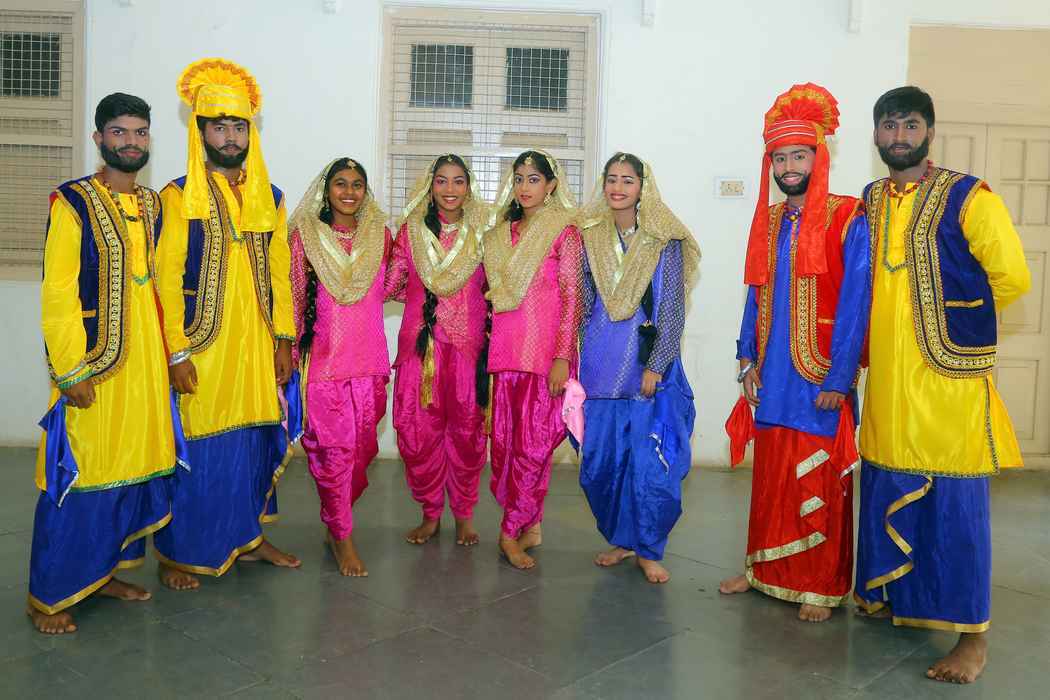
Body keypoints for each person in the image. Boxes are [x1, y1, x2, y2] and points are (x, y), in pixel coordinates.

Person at [853, 86, 1030, 683]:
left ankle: (972, 638)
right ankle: (898, 594)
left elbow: (1012, 276)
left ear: (929, 132)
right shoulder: (871, 199)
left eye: (910, 124)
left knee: (955, 500)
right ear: (876, 134)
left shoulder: (968, 195)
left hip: (946, 376)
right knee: (888, 474)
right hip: (888, 378)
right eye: (888, 125)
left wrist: (955, 320)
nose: (898, 136)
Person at [29, 93, 187, 633]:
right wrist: (71, 369)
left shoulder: (154, 205)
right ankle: (48, 594)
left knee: (133, 468)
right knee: (83, 471)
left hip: (147, 365)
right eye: (119, 132)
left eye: (139, 132)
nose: (131, 142)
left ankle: (102, 573)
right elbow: (58, 292)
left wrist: (175, 354)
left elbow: (163, 285)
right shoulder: (72, 202)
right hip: (96, 364)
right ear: (99, 139)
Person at [720, 83, 871, 623]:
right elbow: (755, 292)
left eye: (798, 156)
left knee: (820, 477)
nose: (788, 167)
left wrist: (839, 378)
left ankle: (821, 584)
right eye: (780, 158)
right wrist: (746, 358)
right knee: (772, 476)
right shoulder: (769, 220)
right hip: (773, 370)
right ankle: (763, 568)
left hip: (820, 373)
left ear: (818, 156)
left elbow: (856, 304)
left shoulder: (848, 217)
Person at [154, 58, 299, 590]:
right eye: (219, 126)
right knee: (200, 446)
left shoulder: (271, 198)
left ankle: (249, 536)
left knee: (254, 441)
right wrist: (176, 352)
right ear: (200, 132)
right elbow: (167, 280)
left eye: (239, 126)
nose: (230, 137)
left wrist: (283, 340)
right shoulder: (177, 196)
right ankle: (177, 553)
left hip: (257, 343)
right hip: (202, 345)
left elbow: (280, 276)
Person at [576, 152, 700, 584]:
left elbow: (671, 309)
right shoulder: (589, 236)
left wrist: (657, 364)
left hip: (646, 371)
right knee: (602, 466)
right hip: (599, 366)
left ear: (643, 187)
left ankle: (648, 548)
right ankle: (623, 539)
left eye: (627, 180)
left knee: (651, 468)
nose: (618, 187)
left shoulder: (663, 240)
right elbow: (581, 302)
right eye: (611, 179)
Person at [288, 157, 393, 577]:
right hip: (325, 365)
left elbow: (396, 284)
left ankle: (336, 519)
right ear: (326, 190)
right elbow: (295, 298)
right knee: (336, 454)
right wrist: (287, 355)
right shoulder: (306, 237)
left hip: (370, 363)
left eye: (357, 184)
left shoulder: (380, 236)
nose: (349, 192)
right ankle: (343, 537)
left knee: (361, 452)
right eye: (340, 184)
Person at [483, 149, 582, 569]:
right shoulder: (498, 234)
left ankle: (509, 534)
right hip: (505, 356)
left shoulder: (564, 232)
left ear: (552, 185)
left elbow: (572, 297)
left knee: (533, 448)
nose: (525, 187)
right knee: (507, 448)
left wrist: (562, 356)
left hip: (544, 359)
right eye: (520, 178)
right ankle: (531, 524)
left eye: (534, 179)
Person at [388, 154, 490, 547]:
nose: (450, 189)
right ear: (430, 186)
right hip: (420, 346)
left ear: (469, 187)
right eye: (442, 180)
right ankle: (430, 513)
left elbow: (500, 284)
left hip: (467, 348)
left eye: (458, 181)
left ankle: (463, 514)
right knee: (418, 431)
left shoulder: (484, 233)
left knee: (467, 431)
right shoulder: (410, 231)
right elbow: (392, 284)